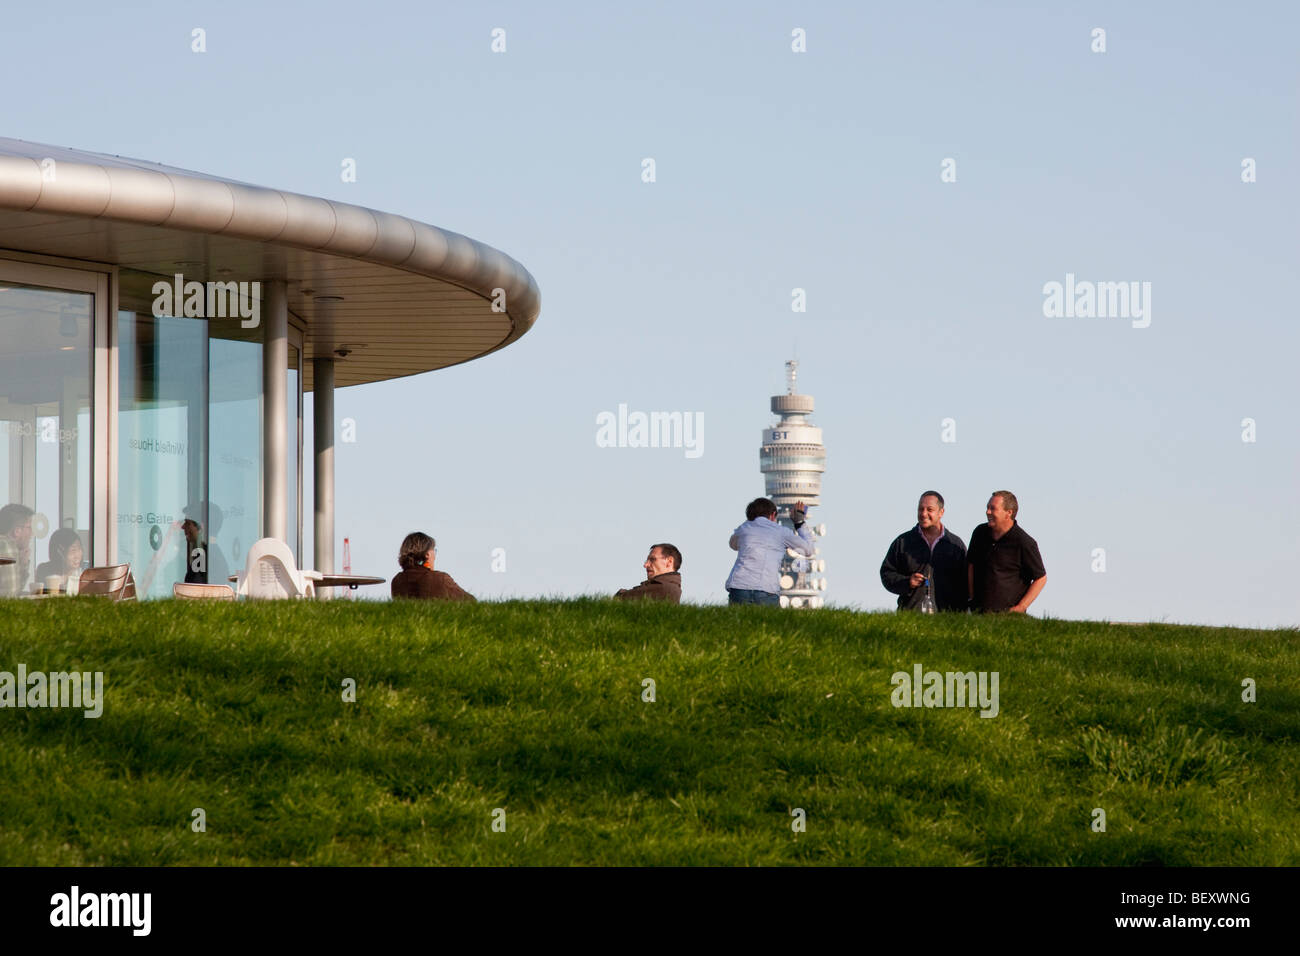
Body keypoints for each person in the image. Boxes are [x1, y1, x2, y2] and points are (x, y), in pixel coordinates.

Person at [880, 490, 967, 611]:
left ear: (941, 512)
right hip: (910, 617)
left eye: (929, 510)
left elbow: (965, 583)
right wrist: (907, 582)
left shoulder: (955, 545)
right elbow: (886, 574)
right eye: (920, 509)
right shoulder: (903, 542)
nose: (924, 513)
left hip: (946, 618)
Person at [725, 497, 815, 606]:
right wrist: (799, 522)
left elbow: (733, 545)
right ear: (772, 515)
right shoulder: (781, 532)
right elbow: (808, 550)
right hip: (766, 590)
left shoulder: (743, 529)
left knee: (738, 623)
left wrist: (750, 522)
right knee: (770, 622)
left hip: (739, 587)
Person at [967, 490, 1047, 613]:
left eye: (993, 509)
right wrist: (971, 597)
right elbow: (971, 565)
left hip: (1007, 617)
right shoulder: (979, 533)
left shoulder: (1024, 542)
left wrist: (1021, 607)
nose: (988, 512)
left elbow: (1040, 578)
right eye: (988, 508)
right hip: (977, 613)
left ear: (1008, 513)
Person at [390, 531, 476, 601]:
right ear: (427, 554)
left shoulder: (397, 581)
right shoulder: (440, 578)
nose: (434, 556)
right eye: (434, 550)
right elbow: (471, 602)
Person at [615, 544, 682, 603]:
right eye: (647, 560)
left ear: (669, 561)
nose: (645, 565)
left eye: (652, 559)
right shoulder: (668, 587)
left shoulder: (665, 589)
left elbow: (620, 598)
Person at [35, 528, 85, 595]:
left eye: (79, 549)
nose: (77, 556)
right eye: (73, 550)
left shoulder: (84, 573)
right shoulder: (45, 571)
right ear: (60, 552)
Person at [0, 503, 34, 597]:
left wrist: (22, 564)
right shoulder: (6, 545)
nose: (32, 533)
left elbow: (16, 589)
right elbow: (10, 594)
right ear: (17, 531)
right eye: (29, 527)